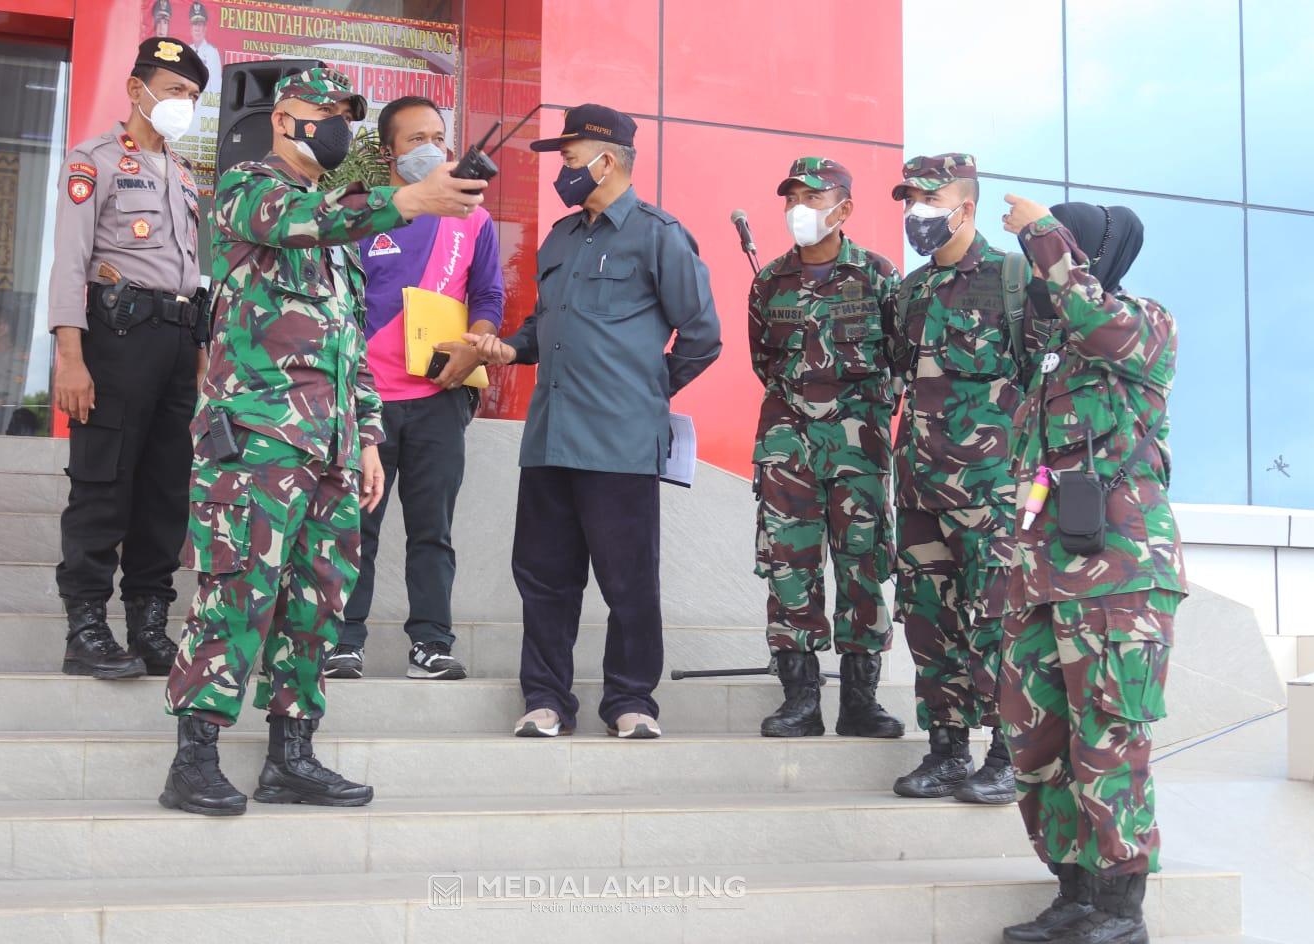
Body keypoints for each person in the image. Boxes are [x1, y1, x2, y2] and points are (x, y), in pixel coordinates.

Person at [159, 67, 488, 816]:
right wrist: (407, 201)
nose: (339, 123)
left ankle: (292, 755)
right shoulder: (249, 189)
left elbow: (352, 349)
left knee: (315, 606)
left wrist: (368, 439)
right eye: (328, 110)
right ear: (285, 118)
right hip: (256, 445)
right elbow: (302, 217)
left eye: (348, 112)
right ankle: (195, 756)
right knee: (237, 594)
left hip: (334, 451)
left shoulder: (341, 238)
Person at [468, 103, 721, 740]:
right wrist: (508, 348)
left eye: (572, 158)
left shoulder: (659, 235)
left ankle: (631, 701)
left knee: (628, 581)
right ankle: (546, 700)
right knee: (545, 580)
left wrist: (645, 393)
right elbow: (542, 325)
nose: (564, 169)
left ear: (608, 160)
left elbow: (702, 334)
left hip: (620, 444)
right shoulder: (559, 238)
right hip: (550, 439)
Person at [995, 197, 1185, 944]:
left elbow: (1093, 314)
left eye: (1066, 246)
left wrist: (1041, 232)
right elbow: (1034, 471)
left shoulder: (1142, 326)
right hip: (1043, 576)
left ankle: (1121, 911)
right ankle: (1075, 891)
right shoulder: (1053, 357)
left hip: (1120, 579)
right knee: (1035, 741)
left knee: (1108, 739)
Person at [324, 95, 504, 682]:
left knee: (433, 531)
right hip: (366, 402)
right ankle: (342, 641)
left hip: (436, 401)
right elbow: (339, 304)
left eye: (438, 137)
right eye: (414, 139)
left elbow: (488, 298)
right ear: (387, 152)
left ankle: (431, 644)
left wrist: (475, 342)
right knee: (356, 528)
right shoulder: (362, 215)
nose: (430, 148)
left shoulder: (472, 218)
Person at [47, 36, 207, 681]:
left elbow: (192, 270)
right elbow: (72, 259)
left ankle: (147, 623)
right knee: (103, 482)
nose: (183, 105)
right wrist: (70, 355)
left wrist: (198, 354)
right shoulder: (96, 160)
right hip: (116, 337)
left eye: (193, 96)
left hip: (176, 340)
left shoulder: (187, 173)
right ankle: (85, 626)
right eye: (174, 91)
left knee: (167, 489)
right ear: (137, 90)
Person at [888, 153, 1035, 804]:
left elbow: (1044, 378)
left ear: (965, 207)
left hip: (989, 491)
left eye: (928, 198)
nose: (915, 211)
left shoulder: (1013, 278)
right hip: (918, 486)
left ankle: (1008, 755)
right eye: (909, 199)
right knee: (928, 620)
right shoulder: (912, 291)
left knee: (996, 619)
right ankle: (947, 750)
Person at [747, 157, 905, 741]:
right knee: (790, 568)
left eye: (813, 198)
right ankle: (800, 701)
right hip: (789, 447)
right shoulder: (769, 282)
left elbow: (900, 359)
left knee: (863, 567)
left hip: (858, 447)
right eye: (792, 197)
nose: (800, 209)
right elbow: (765, 360)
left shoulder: (879, 276)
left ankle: (860, 702)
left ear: (844, 208)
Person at [188, 1, 221, 95]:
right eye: (194, 24)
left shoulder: (212, 53)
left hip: (205, 106)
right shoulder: (187, 51)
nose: (197, 29)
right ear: (191, 28)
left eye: (200, 24)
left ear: (205, 28)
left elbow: (216, 87)